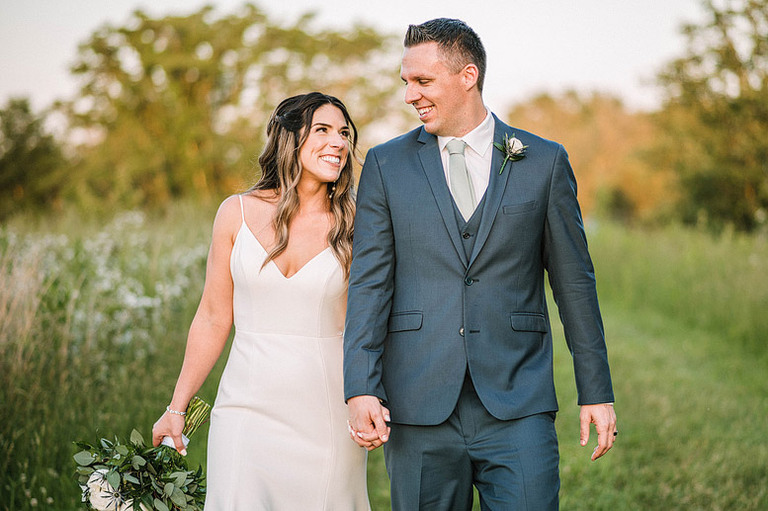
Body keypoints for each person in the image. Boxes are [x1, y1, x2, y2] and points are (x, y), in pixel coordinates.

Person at [344, 18, 617, 510]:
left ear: (468, 76)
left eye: (422, 81)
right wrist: (361, 385)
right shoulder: (386, 165)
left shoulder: (544, 161)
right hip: (418, 402)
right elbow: (369, 283)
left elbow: (575, 283)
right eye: (406, 81)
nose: (410, 95)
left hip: (518, 400)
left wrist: (595, 390)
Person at [152, 92, 370, 510]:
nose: (338, 142)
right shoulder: (234, 213)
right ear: (289, 139)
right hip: (245, 408)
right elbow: (214, 318)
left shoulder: (357, 223)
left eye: (344, 133)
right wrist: (176, 408)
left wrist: (371, 398)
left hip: (325, 410)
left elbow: (364, 326)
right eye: (322, 130)